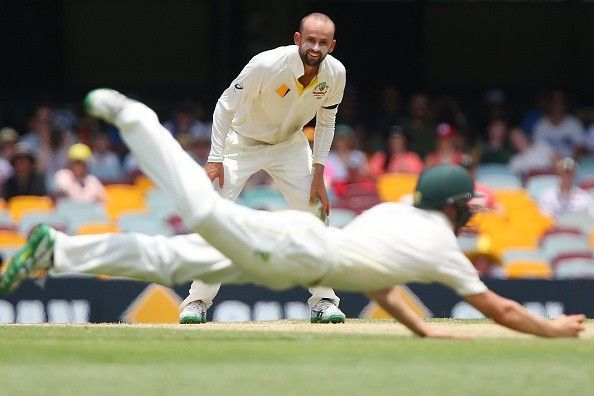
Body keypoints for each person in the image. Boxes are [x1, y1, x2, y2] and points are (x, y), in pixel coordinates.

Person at [0, 88, 585, 339]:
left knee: (168, 255)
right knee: (201, 214)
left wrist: (423, 327)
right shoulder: (438, 245)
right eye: (469, 207)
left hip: (299, 241)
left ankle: (58, 249)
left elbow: (382, 289)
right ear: (454, 207)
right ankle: (132, 117)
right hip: (300, 253)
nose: (473, 216)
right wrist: (554, 331)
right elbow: (499, 306)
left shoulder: (393, 214)